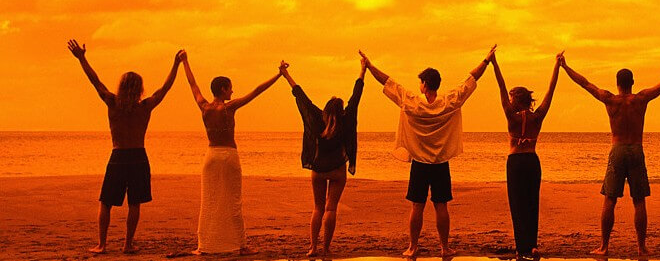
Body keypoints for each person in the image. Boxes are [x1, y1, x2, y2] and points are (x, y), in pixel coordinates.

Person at [359, 46, 495, 257]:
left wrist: (368, 66)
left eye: (420, 82)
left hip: (420, 164)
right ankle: (444, 247)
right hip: (440, 163)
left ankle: (413, 247)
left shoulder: (413, 103)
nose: (419, 86)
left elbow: (388, 82)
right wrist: (486, 60)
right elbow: (470, 80)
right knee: (441, 206)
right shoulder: (448, 102)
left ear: (424, 85)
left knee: (417, 206)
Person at [560, 49, 660, 257]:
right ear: (633, 82)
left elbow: (585, 83)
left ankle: (604, 246)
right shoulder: (640, 99)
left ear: (617, 83)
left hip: (618, 149)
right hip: (636, 149)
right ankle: (641, 247)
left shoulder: (609, 99)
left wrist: (565, 66)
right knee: (639, 200)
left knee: (610, 200)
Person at [67, 39, 182, 254]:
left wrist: (82, 58)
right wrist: (176, 64)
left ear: (121, 87)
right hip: (139, 157)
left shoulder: (112, 102)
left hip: (118, 157)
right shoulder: (145, 106)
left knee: (106, 202)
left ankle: (102, 244)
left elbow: (95, 81)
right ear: (140, 89)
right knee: (134, 203)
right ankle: (128, 244)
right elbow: (165, 88)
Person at [179, 51, 282, 255]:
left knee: (208, 200)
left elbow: (193, 84)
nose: (233, 92)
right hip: (228, 156)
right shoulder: (229, 108)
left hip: (211, 157)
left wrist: (185, 61)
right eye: (230, 88)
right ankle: (241, 245)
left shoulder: (204, 107)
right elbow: (256, 91)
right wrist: (278, 76)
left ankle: (204, 245)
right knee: (234, 201)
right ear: (223, 89)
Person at [280, 58, 365, 258]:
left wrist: (285, 75)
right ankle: (326, 248)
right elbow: (356, 96)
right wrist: (363, 70)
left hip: (318, 170)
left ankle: (313, 248)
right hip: (337, 170)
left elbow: (301, 97)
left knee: (318, 207)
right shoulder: (346, 119)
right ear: (341, 111)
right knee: (331, 209)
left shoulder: (317, 118)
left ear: (326, 111)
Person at [489, 49, 562, 259]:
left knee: (517, 203)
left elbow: (500, 87)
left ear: (516, 100)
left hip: (515, 162)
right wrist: (556, 66)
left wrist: (494, 63)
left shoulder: (511, 117)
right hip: (531, 161)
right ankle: (532, 246)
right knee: (531, 203)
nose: (509, 100)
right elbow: (551, 91)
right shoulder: (537, 117)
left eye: (512, 98)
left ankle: (522, 247)